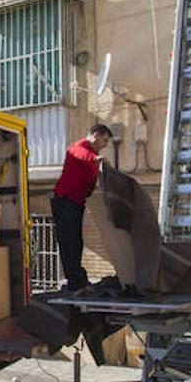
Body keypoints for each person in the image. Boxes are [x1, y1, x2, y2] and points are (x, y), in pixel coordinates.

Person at [51, 124, 114, 292]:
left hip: (76, 203)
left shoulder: (93, 156)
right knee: (69, 241)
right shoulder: (78, 148)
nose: (106, 145)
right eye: (105, 140)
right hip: (65, 201)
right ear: (95, 135)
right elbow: (80, 154)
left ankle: (77, 280)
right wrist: (96, 159)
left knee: (76, 242)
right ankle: (75, 280)